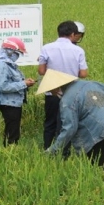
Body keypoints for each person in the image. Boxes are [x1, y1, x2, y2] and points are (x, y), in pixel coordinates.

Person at [37, 69, 104, 179]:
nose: (50, 93)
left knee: (101, 171)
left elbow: (69, 129)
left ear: (55, 87)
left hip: (101, 134)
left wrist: (53, 150)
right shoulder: (90, 83)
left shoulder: (67, 101)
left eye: (49, 90)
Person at [38, 20, 89, 150]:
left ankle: (47, 149)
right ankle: (63, 152)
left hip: (52, 91)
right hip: (71, 93)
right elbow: (83, 74)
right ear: (72, 34)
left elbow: (41, 71)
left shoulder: (46, 48)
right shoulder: (78, 50)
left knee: (50, 123)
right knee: (66, 124)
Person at [0, 37, 36, 146]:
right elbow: (3, 87)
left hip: (12, 101)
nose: (18, 56)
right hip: (8, 102)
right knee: (12, 130)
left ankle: (10, 148)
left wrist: (25, 83)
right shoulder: (2, 65)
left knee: (13, 128)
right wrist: (24, 84)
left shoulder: (8, 65)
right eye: (18, 53)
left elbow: (11, 82)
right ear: (10, 51)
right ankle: (10, 150)